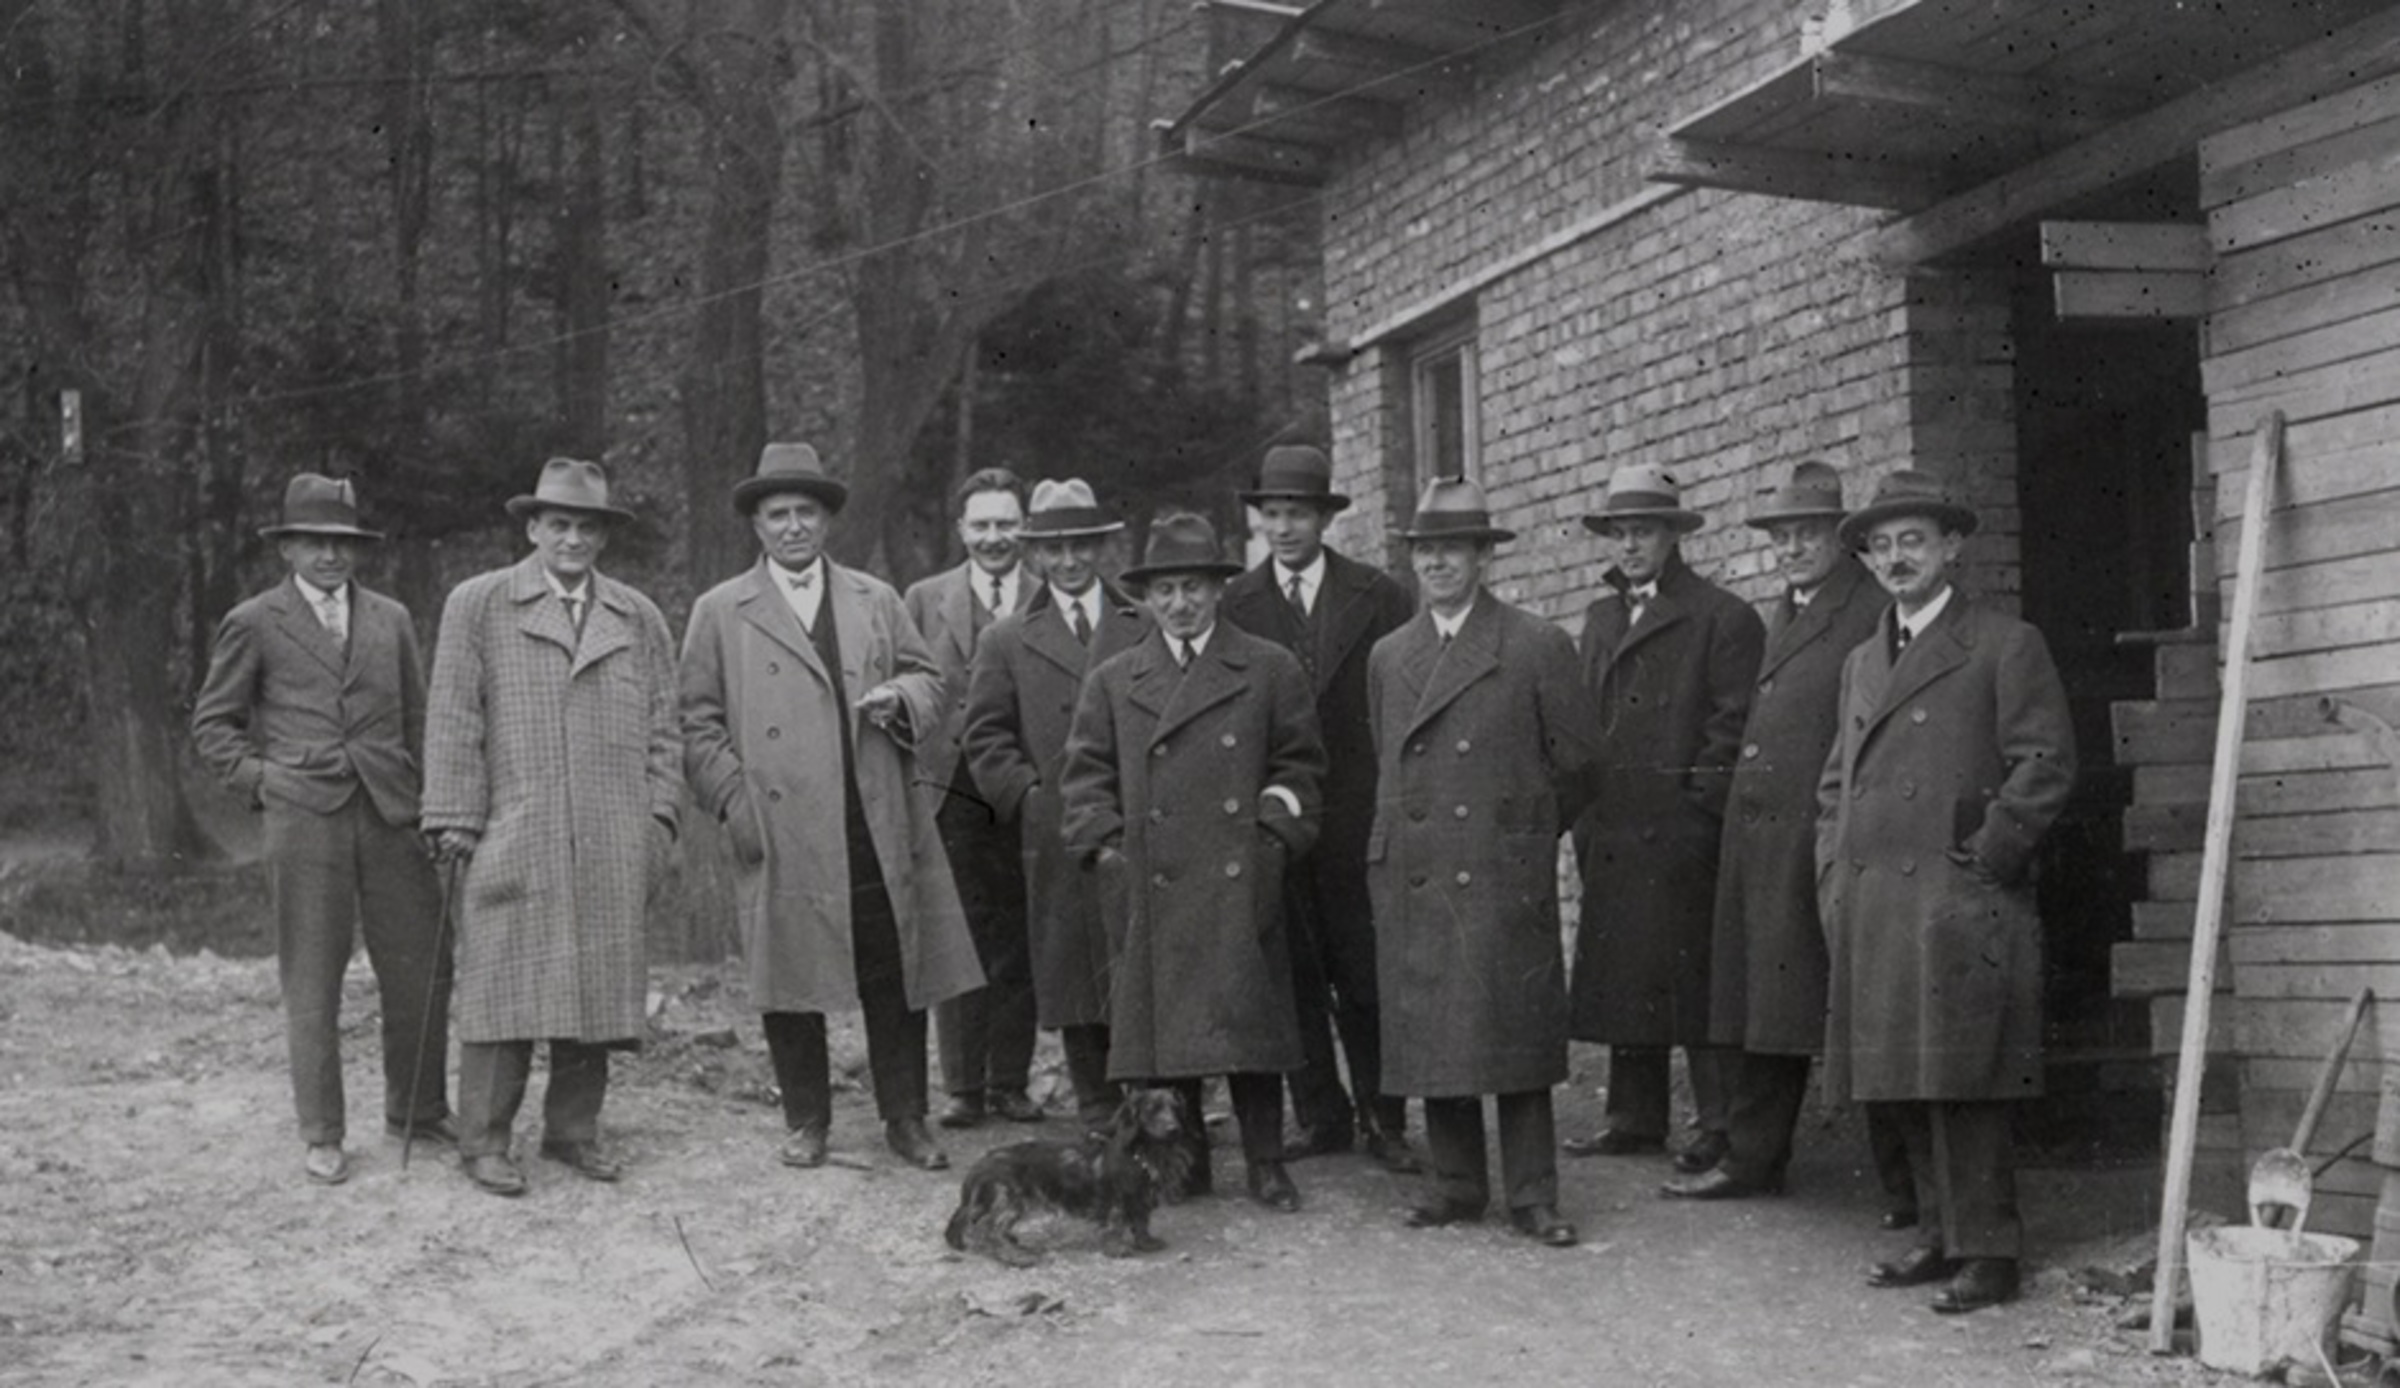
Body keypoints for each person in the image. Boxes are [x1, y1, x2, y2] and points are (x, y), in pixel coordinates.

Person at [680, 443, 985, 1174]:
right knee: (789, 973)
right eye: (778, 514)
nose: (793, 526)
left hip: (870, 812)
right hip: (780, 821)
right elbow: (694, 721)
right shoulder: (720, 609)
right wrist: (734, 801)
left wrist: (900, 698)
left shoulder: (874, 598)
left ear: (826, 521)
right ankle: (807, 1119)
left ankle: (905, 1117)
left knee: (895, 966)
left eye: (806, 513)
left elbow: (928, 678)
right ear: (757, 524)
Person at [1820, 469, 2076, 1314]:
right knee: (1902, 1078)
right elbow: (1836, 783)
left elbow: (2046, 762)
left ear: (1951, 546)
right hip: (1878, 902)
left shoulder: (2004, 643)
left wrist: (1990, 855)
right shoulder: (1862, 660)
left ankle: (1989, 1252)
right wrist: (1833, 872)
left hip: (1958, 895)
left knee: (1967, 1081)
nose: (1896, 558)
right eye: (1881, 546)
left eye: (1913, 541)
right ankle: (1936, 1234)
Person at [422, 457, 682, 1197]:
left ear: (604, 536)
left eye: (587, 527)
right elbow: (452, 717)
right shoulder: (480, 604)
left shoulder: (637, 616)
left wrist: (658, 819)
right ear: (533, 527)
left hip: (611, 832)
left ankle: (573, 1131)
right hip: (515, 826)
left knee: (593, 987)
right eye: (559, 524)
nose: (573, 539)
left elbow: (666, 729)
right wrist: (453, 819)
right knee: (501, 985)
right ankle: (484, 1140)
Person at [191, 473, 453, 1186]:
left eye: (342, 542)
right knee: (312, 976)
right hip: (304, 818)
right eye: (314, 542)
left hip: (392, 812)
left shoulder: (391, 619)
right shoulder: (255, 621)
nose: (330, 555)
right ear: (287, 548)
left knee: (422, 965)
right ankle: (323, 1131)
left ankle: (419, 1109)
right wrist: (262, 781)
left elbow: (418, 718)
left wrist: (433, 803)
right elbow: (213, 724)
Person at [1059, 512, 1326, 1212]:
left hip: (1240, 875)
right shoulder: (1115, 680)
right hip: (1154, 879)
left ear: (1218, 589)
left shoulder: (1268, 666)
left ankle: (1267, 1162)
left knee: (1250, 1025)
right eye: (1166, 590)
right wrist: (1110, 852)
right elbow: (1083, 779)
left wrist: (1271, 841)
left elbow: (1300, 768)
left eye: (1194, 588)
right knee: (1169, 1033)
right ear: (1147, 598)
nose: (1180, 604)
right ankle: (1187, 1163)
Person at [1369, 477, 1601, 1248]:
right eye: (1425, 551)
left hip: (1500, 868)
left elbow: (1580, 763)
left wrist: (1522, 834)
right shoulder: (1389, 656)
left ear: (1481, 557)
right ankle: (1456, 1184)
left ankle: (1534, 1195)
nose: (1437, 564)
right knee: (1438, 1027)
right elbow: (1387, 760)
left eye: (1453, 550)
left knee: (1513, 1031)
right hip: (1421, 866)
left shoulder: (1534, 644)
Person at [1661, 462, 1889, 1203]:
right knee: (1767, 1000)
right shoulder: (1789, 607)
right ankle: (1753, 1156)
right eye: (1781, 537)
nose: (1791, 549)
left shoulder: (1869, 609)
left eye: (1806, 535)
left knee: (1845, 1003)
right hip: (1762, 837)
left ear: (1840, 539)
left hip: (1816, 833)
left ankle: (1903, 1187)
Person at [1221, 444, 1420, 1173]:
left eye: (1297, 514)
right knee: (1293, 971)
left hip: (1358, 814)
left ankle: (1384, 1117)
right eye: (1272, 514)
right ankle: (1319, 1114)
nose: (1283, 528)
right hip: (1274, 813)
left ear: (1324, 519)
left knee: (1366, 972)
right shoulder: (1235, 604)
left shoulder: (1379, 595)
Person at [1563, 465, 1763, 1172]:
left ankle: (1719, 1123)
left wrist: (1696, 814)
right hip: (1614, 829)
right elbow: (1584, 717)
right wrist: (1586, 816)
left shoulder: (1721, 616)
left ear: (1673, 536)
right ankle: (1634, 1117)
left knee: (1694, 977)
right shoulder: (1601, 619)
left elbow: (1733, 726)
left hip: (1680, 834)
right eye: (1619, 533)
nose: (1629, 545)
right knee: (1629, 971)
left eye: (1643, 531)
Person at [960, 478, 1149, 1130]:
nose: (1069, 561)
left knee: (1139, 955)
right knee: (1073, 962)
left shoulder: (1143, 623)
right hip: (1058, 830)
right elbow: (985, 736)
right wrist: (1030, 799)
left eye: (1082, 546)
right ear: (1035, 554)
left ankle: (1153, 1100)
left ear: (1102, 547)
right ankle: (1096, 1104)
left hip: (1135, 820)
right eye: (1055, 549)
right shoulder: (1006, 638)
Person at [904, 467, 1040, 1130]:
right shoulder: (924, 599)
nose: (993, 537)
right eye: (981, 525)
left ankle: (1010, 1081)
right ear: (961, 529)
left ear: (1026, 529)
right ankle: (963, 1086)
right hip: (948, 786)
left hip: (1021, 780)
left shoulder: (1045, 596)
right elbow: (904, 680)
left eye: (1006, 524)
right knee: (956, 931)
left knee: (1018, 932)